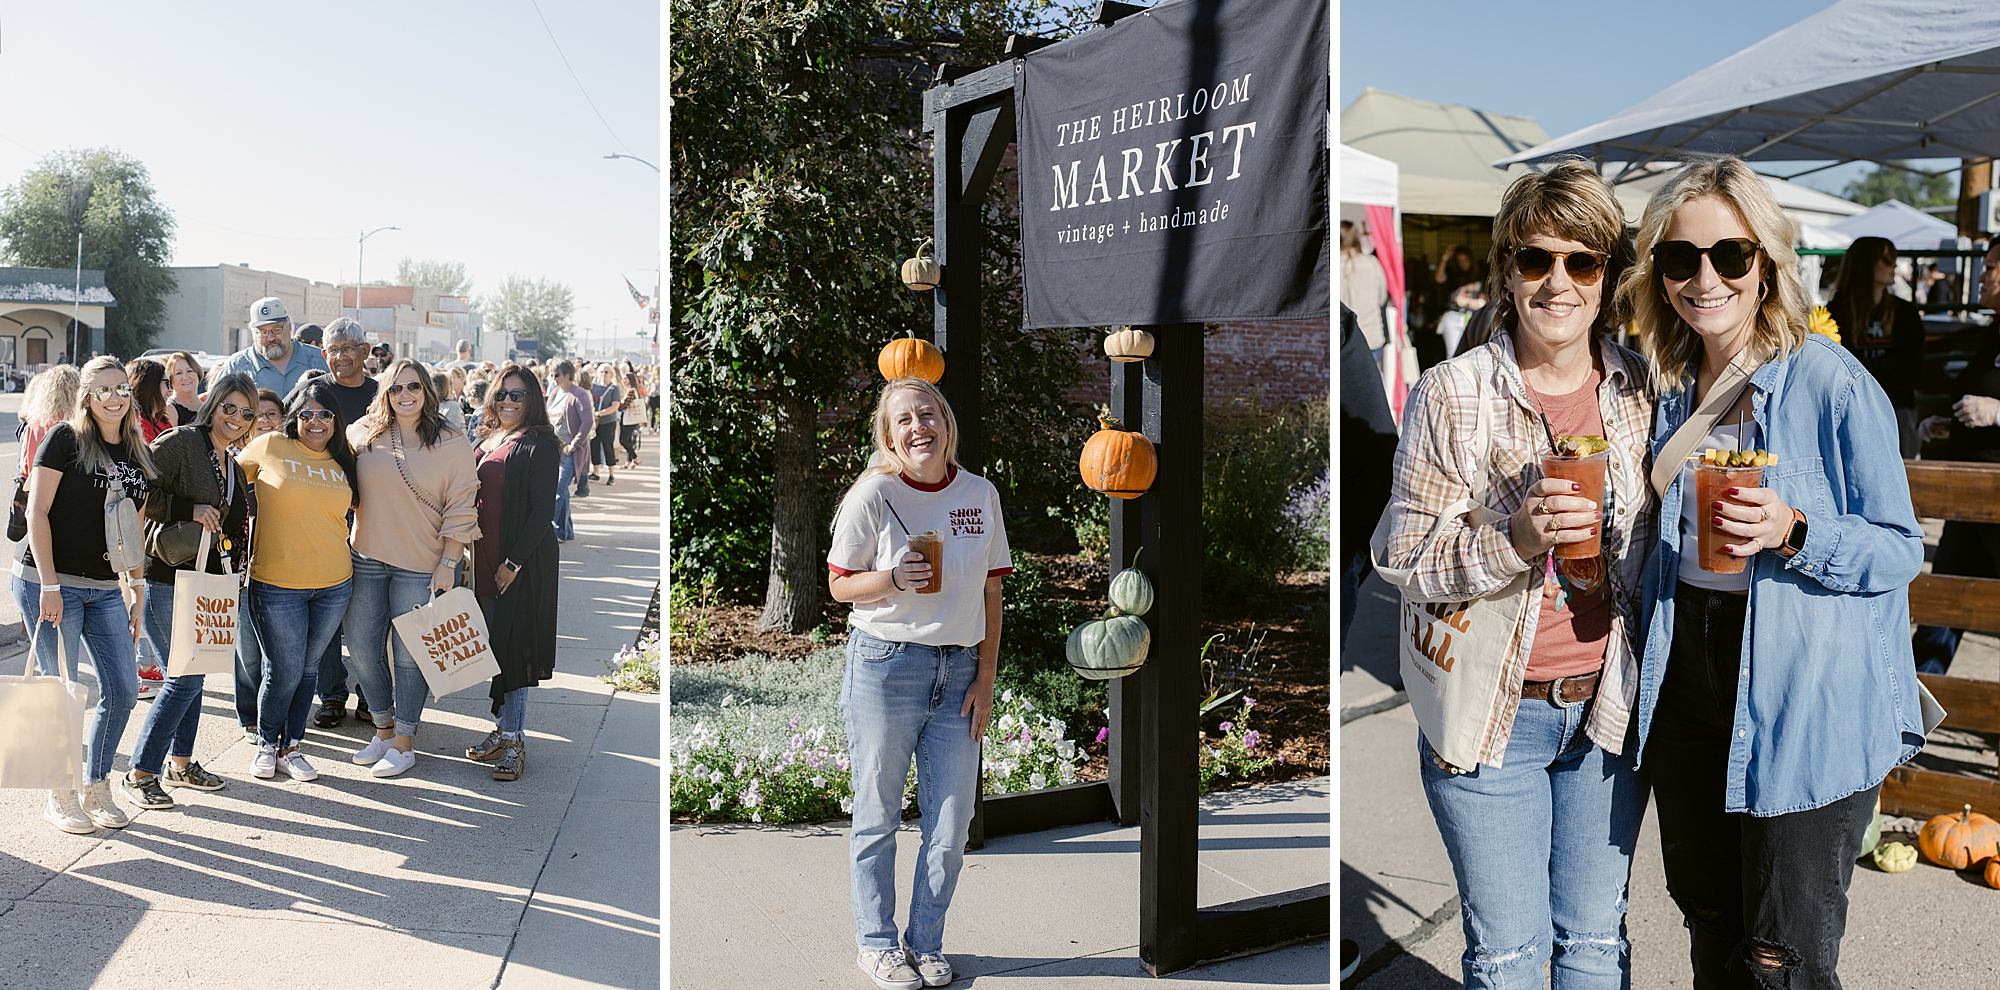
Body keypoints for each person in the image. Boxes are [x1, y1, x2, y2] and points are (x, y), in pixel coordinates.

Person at [1622, 156, 1926, 987]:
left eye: (1731, 255)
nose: (1705, 278)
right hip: (1688, 671)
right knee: (1709, 923)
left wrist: (1795, 530)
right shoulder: (1668, 385)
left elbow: (1901, 548)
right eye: (1680, 259)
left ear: (1769, 264)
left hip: (1807, 691)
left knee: (1781, 960)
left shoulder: (1832, 383)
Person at [1380, 161, 1656, 986]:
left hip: (1610, 708)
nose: (1558, 283)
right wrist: (1514, 537)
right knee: (1507, 956)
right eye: (1537, 260)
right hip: (1495, 718)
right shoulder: (1451, 394)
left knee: (1596, 946)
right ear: (1506, 268)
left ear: (1607, 275)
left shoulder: (1641, 389)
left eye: (1583, 261)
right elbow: (1398, 557)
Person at [827, 378, 1010, 990]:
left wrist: (985, 676)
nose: (917, 427)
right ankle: (877, 945)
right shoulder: (873, 495)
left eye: (926, 413)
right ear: (889, 435)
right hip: (886, 666)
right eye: (903, 420)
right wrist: (891, 577)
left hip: (958, 670)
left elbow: (991, 588)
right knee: (877, 815)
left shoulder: (979, 494)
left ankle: (925, 943)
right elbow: (839, 586)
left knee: (952, 822)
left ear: (946, 422)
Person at [20, 356, 154, 834]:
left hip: (104, 588)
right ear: (86, 396)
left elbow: (133, 529)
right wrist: (50, 585)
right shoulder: (65, 440)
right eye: (103, 390)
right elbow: (38, 513)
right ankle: (60, 794)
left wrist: (137, 586)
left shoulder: (137, 449)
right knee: (63, 693)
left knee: (121, 688)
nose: (115, 397)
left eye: (122, 389)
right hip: (51, 583)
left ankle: (97, 787)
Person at [117, 372, 258, 809]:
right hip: (165, 577)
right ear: (213, 404)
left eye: (246, 412)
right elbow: (135, 487)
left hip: (205, 581)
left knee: (194, 674)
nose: (235, 417)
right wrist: (188, 508)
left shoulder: (231, 462)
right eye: (229, 407)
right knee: (183, 676)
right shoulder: (182, 442)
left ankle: (181, 763)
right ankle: (140, 773)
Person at [342, 359, 480, 779]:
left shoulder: (452, 440)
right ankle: (383, 730)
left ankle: (404, 742)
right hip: (365, 557)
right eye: (397, 388)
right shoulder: (361, 433)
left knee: (410, 657)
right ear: (385, 391)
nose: (406, 395)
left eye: (414, 387)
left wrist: (449, 561)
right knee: (363, 650)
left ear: (427, 391)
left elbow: (463, 503)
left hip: (422, 566)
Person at [237, 377, 361, 779]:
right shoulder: (271, 445)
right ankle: (266, 744)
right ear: (295, 417)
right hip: (276, 583)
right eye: (306, 413)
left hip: (334, 583)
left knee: (308, 668)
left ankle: (292, 747)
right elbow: (225, 478)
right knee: (284, 669)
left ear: (336, 421)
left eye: (325, 414)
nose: (316, 422)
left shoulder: (345, 461)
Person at [465, 366, 562, 781]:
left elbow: (543, 511)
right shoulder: (487, 438)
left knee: (514, 649)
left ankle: (515, 740)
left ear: (532, 400)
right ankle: (503, 729)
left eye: (517, 395)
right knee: (494, 649)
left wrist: (514, 562)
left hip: (520, 564)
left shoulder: (540, 444)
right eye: (501, 394)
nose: (507, 401)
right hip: (483, 558)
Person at [1912, 238, 2000, 675]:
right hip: (1970, 499)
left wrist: (1997, 410)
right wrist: (1948, 424)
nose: (1982, 276)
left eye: (1990, 267)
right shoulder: (1994, 330)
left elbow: (1993, 405)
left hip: (1994, 500)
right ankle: (1910, 726)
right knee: (1942, 608)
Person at [308, 317, 381, 729]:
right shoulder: (317, 393)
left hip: (372, 522)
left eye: (347, 349)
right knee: (326, 619)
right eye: (332, 350)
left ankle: (372, 696)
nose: (340, 357)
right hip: (324, 521)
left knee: (369, 618)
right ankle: (332, 694)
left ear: (365, 351)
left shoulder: (381, 396)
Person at [11, 365, 81, 690]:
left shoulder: (35, 423)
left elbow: (25, 471)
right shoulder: (75, 429)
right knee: (60, 662)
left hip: (35, 524)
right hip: (65, 529)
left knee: (52, 660)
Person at [1828, 235, 1924, 457]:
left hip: (1896, 417)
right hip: (1851, 413)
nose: (1894, 265)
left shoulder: (1905, 314)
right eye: (1887, 259)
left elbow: (1913, 372)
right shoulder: (1836, 313)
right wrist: (1886, 367)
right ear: (1866, 263)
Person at [232, 386, 287, 742]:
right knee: (247, 650)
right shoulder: (235, 459)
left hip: (280, 567)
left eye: (272, 414)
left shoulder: (292, 459)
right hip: (241, 567)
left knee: (280, 652)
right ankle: (250, 718)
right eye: (257, 414)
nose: (265, 420)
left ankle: (276, 716)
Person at [214, 296, 329, 398]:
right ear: (252, 333)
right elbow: (215, 412)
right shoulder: (234, 367)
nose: (270, 338)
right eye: (262, 332)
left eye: (277, 329)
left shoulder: (321, 360)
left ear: (289, 326)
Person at [546, 361, 593, 540]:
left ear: (567, 375)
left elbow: (587, 421)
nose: (554, 378)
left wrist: (575, 444)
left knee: (560, 488)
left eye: (557, 375)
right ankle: (566, 531)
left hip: (569, 450)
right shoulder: (555, 393)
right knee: (560, 491)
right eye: (552, 375)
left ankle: (557, 531)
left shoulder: (579, 394)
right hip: (554, 449)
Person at [1341, 219, 1392, 363]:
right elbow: (1382, 298)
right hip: (1370, 337)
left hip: (1341, 339)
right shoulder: (1371, 263)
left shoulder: (1329, 265)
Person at [127, 358, 175, 444]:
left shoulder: (161, 420)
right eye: (167, 383)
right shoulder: (138, 425)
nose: (170, 390)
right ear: (150, 384)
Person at [591, 366, 622, 486]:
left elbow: (615, 406)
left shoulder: (614, 388)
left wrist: (600, 413)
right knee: (594, 446)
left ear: (611, 374)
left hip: (608, 421)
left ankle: (611, 474)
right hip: (595, 422)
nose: (604, 374)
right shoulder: (593, 387)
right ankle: (596, 472)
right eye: (601, 372)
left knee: (608, 446)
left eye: (606, 372)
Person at [166, 351, 204, 425]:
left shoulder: (209, 409)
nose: (185, 377)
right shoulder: (169, 409)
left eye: (189, 371)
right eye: (179, 373)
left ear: (198, 374)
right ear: (170, 380)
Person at [619, 370, 646, 467]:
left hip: (629, 418)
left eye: (625, 379)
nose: (623, 381)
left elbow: (624, 406)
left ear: (630, 380)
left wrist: (616, 404)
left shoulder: (631, 391)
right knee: (628, 440)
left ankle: (635, 458)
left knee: (623, 440)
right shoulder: (632, 390)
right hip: (631, 418)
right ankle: (628, 461)